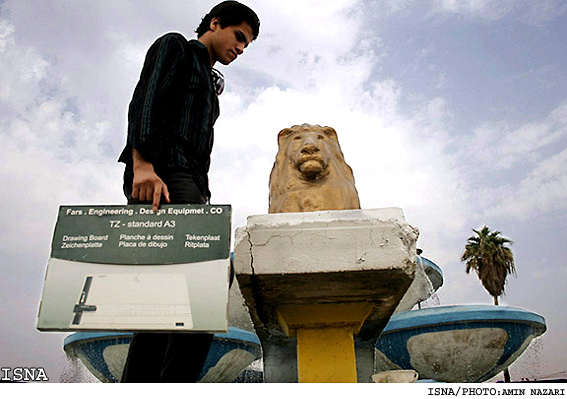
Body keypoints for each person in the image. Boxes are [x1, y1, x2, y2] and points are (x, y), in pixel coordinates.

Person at [117, 1, 260, 383]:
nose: (241, 49)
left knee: (167, 298)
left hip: (192, 184)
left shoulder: (210, 82)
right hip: (164, 175)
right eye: (239, 37)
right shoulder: (175, 46)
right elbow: (145, 101)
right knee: (207, 280)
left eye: (247, 45)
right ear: (215, 23)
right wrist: (143, 165)